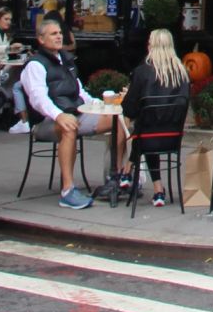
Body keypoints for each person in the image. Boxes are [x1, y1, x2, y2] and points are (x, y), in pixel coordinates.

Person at [18, 15, 128, 209]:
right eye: (53, 34)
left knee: (119, 120)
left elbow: (80, 92)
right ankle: (67, 191)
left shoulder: (66, 60)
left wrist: (101, 105)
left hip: (75, 113)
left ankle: (115, 178)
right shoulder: (35, 65)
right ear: (41, 39)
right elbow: (38, 99)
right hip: (45, 121)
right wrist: (58, 115)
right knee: (68, 127)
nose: (59, 36)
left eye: (60, 33)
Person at [121, 27, 191, 207]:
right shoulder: (183, 74)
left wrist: (129, 94)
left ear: (151, 46)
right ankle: (157, 190)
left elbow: (129, 110)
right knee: (149, 128)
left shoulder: (142, 72)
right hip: (173, 138)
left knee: (144, 130)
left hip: (146, 139)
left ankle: (128, 170)